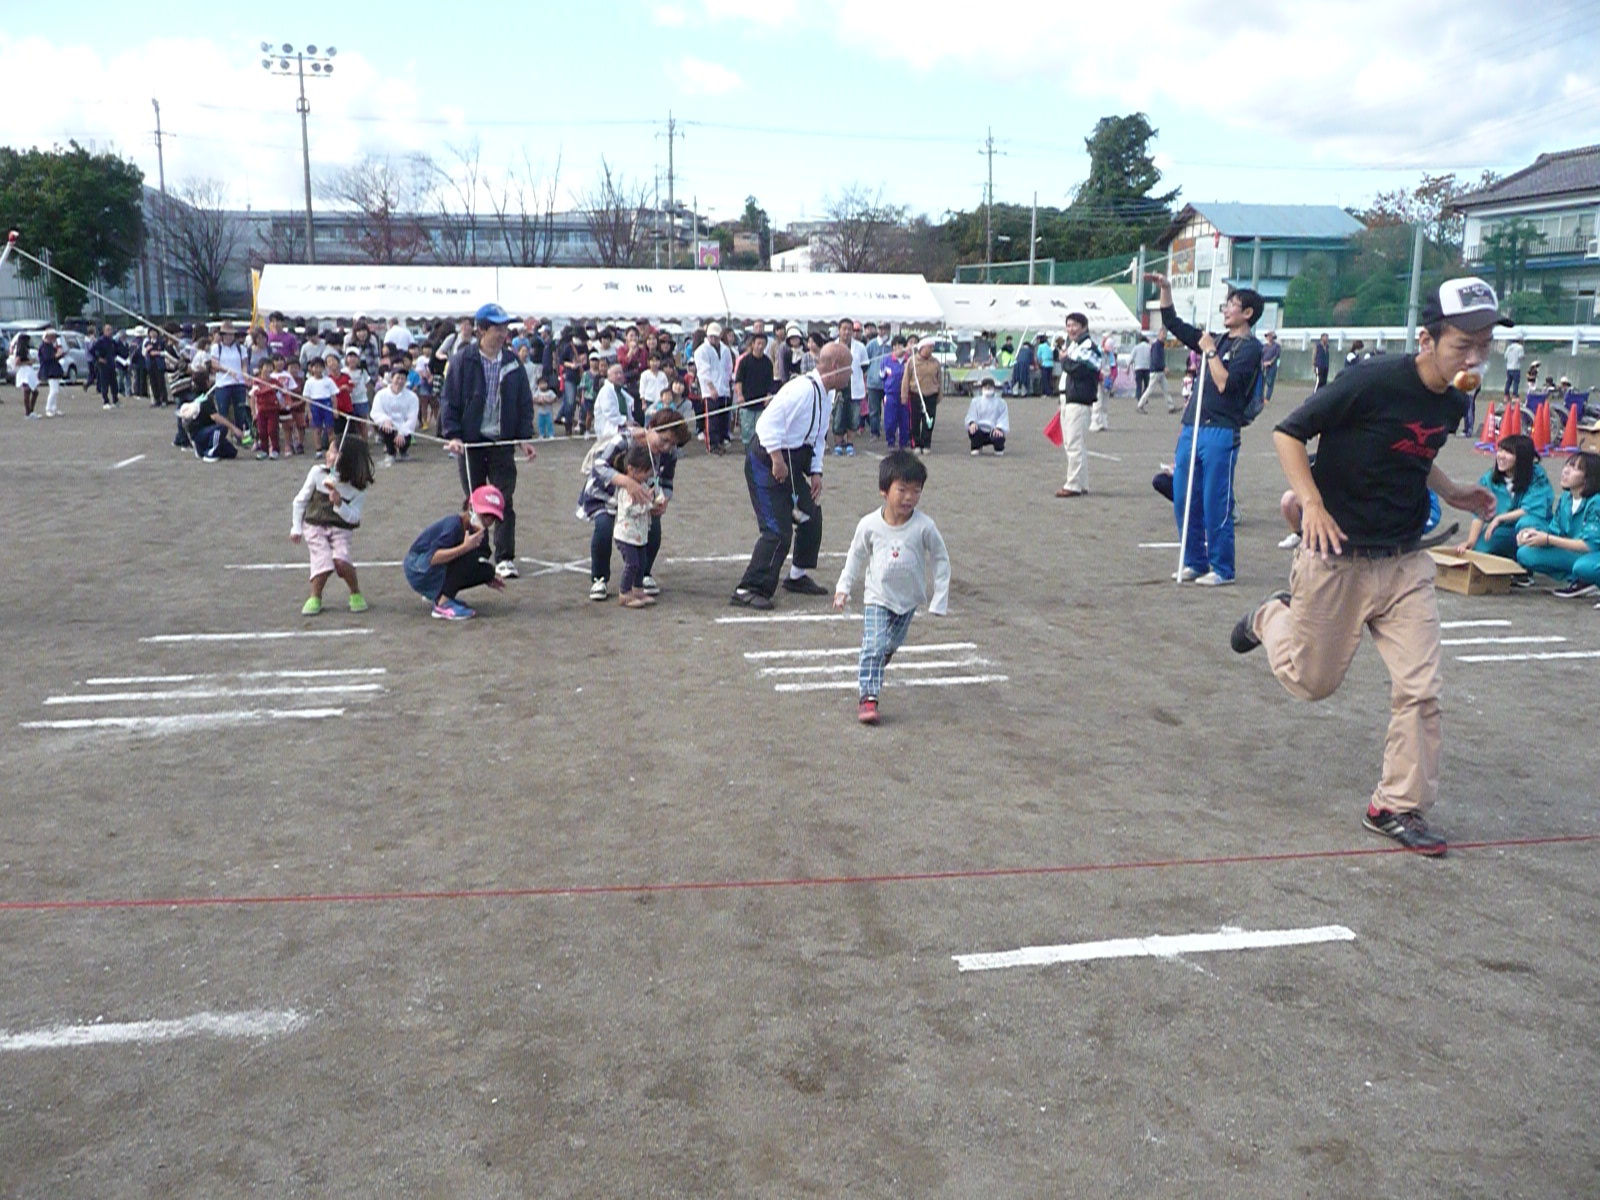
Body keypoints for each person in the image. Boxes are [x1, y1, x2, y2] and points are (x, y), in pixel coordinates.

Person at [1229, 275, 1508, 857]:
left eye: (1485, 345)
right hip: (1338, 557)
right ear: (1427, 340)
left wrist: (1453, 491)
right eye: (1463, 344)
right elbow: (1288, 433)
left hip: (1405, 560)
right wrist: (1311, 504)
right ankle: (1270, 617)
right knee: (1311, 682)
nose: (1475, 358)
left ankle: (1396, 806)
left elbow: (1414, 449)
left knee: (1421, 688)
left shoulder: (1455, 397)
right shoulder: (1372, 380)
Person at [1145, 273, 1265, 585]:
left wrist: (1210, 351)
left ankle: (1222, 568)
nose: (1226, 309)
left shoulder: (1250, 348)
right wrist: (1166, 289)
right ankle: (1194, 561)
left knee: (1215, 501)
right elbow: (1173, 323)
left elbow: (1226, 384)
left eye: (1232, 305)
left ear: (1247, 313)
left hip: (1221, 430)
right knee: (1185, 498)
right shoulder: (1217, 339)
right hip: (1192, 427)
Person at [832, 450, 950, 725]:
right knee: (874, 644)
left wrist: (939, 598)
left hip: (908, 601)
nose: (909, 497)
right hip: (877, 596)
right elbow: (855, 555)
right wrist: (843, 587)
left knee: (889, 645)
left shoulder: (924, 526)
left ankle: (875, 661)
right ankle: (868, 698)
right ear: (884, 491)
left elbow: (940, 559)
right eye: (902, 490)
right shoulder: (869, 525)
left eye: (916, 491)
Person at [731, 342, 852, 609]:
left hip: (793, 462)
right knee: (777, 530)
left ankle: (797, 576)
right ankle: (748, 589)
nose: (851, 374)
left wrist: (816, 471)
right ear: (835, 367)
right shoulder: (800, 390)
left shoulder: (827, 395)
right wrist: (776, 460)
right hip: (766, 460)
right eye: (849, 368)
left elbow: (818, 437)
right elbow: (766, 425)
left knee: (810, 515)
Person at [441, 302, 537, 580]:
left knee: (503, 498)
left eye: (505, 327)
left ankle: (505, 557)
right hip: (471, 442)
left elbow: (523, 402)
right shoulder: (462, 360)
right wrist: (453, 434)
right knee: (474, 499)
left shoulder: (512, 362)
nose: (503, 333)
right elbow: (449, 400)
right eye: (497, 328)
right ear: (481, 330)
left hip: (501, 441)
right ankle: (478, 551)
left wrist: (523, 438)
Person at [580, 408, 690, 601]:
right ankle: (599, 578)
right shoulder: (624, 440)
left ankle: (642, 576)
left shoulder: (669, 455)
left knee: (653, 529)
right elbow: (599, 466)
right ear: (651, 427)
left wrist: (664, 501)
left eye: (672, 444)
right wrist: (627, 482)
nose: (666, 447)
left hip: (640, 500)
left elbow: (666, 482)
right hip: (606, 495)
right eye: (664, 440)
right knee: (604, 527)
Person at [290, 437, 374, 615]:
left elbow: (354, 518)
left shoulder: (358, 487)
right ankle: (315, 596)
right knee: (323, 561)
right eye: (328, 450)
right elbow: (300, 501)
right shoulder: (317, 473)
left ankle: (355, 592)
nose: (328, 455)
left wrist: (339, 504)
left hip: (341, 528)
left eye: (333, 451)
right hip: (315, 525)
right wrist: (296, 527)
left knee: (341, 561)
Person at [404, 485, 509, 621]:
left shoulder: (473, 531)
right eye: (486, 515)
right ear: (471, 509)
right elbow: (433, 558)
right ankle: (443, 604)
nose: (488, 521)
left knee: (486, 570)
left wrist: (487, 576)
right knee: (469, 556)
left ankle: (442, 595)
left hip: (426, 568)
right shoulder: (454, 525)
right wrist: (465, 548)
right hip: (418, 568)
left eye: (493, 518)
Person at [1453, 434, 1553, 562]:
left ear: (1522, 457)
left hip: (1535, 526)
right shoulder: (1489, 479)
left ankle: (1527, 563)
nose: (1501, 456)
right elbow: (1480, 512)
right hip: (1505, 529)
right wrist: (1470, 542)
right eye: (1500, 450)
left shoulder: (1537, 476)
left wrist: (1499, 518)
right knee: (1481, 548)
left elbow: (1530, 509)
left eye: (1508, 452)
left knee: (1525, 524)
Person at [1514, 451, 1600, 597]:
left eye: (1575, 468)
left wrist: (1548, 539)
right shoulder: (1566, 498)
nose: (1566, 471)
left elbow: (1590, 545)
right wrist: (1532, 535)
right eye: (1567, 465)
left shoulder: (1596, 502)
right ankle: (1582, 581)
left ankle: (1588, 579)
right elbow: (1554, 530)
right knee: (1525, 553)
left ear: (1589, 477)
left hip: (1593, 554)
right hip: (1577, 553)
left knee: (1584, 566)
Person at [1054, 312, 1103, 498]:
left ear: (1084, 327)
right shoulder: (1074, 346)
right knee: (1072, 443)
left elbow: (1079, 369)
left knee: (1074, 443)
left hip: (1079, 399)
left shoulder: (1088, 346)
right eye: (1068, 325)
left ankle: (1073, 484)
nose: (1071, 329)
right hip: (1069, 398)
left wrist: (1065, 360)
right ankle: (1081, 483)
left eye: (1074, 325)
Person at [613, 444, 662, 609]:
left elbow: (646, 501)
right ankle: (624, 592)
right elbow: (630, 509)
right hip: (626, 535)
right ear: (631, 470)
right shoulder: (627, 489)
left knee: (642, 562)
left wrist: (653, 499)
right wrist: (648, 505)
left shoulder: (643, 485)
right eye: (644, 472)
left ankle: (638, 589)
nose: (646, 475)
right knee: (632, 563)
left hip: (639, 534)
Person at [694, 320, 735, 452]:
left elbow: (729, 367)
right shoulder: (701, 350)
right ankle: (712, 445)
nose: (713, 339)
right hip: (709, 390)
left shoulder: (725, 349)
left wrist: (727, 382)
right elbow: (703, 371)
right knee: (712, 419)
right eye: (711, 336)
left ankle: (722, 440)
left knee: (723, 417)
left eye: (716, 337)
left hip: (723, 388)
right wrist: (711, 388)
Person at [733, 330, 775, 448]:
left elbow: (770, 383)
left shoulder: (767, 363)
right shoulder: (745, 361)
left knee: (760, 431)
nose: (760, 346)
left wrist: (768, 396)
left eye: (763, 344)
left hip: (761, 404)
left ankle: (757, 452)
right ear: (753, 344)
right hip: (747, 403)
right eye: (758, 343)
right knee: (747, 432)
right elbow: (739, 380)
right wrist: (740, 395)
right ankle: (748, 451)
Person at [183, 386, 247, 461]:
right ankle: (210, 453)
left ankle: (203, 450)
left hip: (201, 434)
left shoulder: (191, 398)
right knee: (221, 428)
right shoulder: (205, 400)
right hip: (200, 434)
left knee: (232, 452)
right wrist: (234, 428)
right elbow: (215, 417)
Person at [372, 366, 420, 464]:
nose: (400, 381)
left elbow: (412, 418)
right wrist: (385, 419)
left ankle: (403, 451)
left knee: (404, 439)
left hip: (404, 426)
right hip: (388, 426)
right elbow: (375, 412)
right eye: (398, 378)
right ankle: (390, 453)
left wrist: (402, 432)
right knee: (386, 429)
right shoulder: (381, 395)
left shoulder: (412, 397)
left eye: (403, 379)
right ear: (392, 378)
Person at [903, 335, 942, 454]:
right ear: (922, 348)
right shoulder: (912, 361)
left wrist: (939, 394)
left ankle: (926, 443)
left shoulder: (935, 362)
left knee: (929, 421)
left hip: (931, 395)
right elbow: (906, 379)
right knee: (915, 420)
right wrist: (904, 395)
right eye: (929, 347)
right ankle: (915, 443)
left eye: (932, 347)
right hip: (916, 394)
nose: (931, 349)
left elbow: (939, 379)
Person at [880, 335, 911, 451]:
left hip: (905, 395)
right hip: (891, 394)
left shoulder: (909, 360)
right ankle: (891, 441)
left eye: (900, 345)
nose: (897, 348)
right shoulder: (886, 360)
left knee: (904, 420)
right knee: (890, 420)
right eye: (895, 346)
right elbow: (882, 377)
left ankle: (904, 442)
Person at [592, 362, 635, 442]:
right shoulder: (606, 391)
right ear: (609, 376)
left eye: (620, 373)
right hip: (610, 429)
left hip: (624, 428)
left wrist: (631, 422)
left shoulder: (622, 392)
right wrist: (625, 422)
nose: (619, 376)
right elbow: (610, 413)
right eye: (616, 373)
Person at [965, 378, 1009, 455]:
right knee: (973, 431)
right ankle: (976, 446)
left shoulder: (1001, 403)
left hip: (994, 430)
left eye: (990, 387)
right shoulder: (975, 401)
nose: (988, 389)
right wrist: (972, 423)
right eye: (985, 387)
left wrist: (999, 428)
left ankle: (998, 447)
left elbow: (1003, 418)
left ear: (994, 389)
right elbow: (971, 415)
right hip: (979, 430)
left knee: (999, 446)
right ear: (982, 388)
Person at [249, 361, 283, 460]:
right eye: (266, 367)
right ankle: (264, 451)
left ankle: (275, 450)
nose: (268, 369)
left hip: (273, 410)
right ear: (261, 369)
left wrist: (282, 401)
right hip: (261, 411)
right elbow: (255, 394)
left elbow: (282, 392)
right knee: (262, 431)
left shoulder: (275, 381)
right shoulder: (257, 381)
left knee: (272, 430)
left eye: (270, 367)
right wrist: (253, 412)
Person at [865, 323, 889, 439]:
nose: (882, 331)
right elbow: (865, 361)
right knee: (874, 410)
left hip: (889, 384)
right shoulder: (871, 345)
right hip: (873, 383)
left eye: (885, 328)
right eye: (880, 328)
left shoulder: (891, 345)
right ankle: (874, 432)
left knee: (889, 409)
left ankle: (890, 432)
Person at [1137, 334, 1172, 414]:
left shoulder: (1160, 346)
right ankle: (1140, 405)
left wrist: (1163, 367)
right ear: (1160, 335)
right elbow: (1156, 359)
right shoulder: (1157, 346)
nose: (1164, 338)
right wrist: (1163, 367)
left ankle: (1171, 406)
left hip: (1160, 371)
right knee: (1149, 390)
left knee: (1166, 389)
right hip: (1156, 371)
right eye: (1163, 336)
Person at [90, 322, 121, 409]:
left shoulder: (112, 341)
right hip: (103, 366)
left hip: (112, 364)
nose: (110, 331)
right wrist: (99, 358)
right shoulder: (100, 341)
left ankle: (115, 400)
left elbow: (117, 351)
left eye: (110, 330)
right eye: (108, 330)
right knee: (104, 384)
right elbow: (92, 351)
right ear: (104, 331)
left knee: (114, 383)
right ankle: (106, 401)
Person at [9, 333, 39, 419]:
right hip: (24, 372)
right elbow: (17, 362)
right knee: (28, 391)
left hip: (28, 371)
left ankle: (30, 411)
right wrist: (29, 362)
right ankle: (28, 412)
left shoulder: (25, 350)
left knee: (34, 391)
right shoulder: (20, 351)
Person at [37, 332, 64, 418]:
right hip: (48, 371)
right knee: (53, 390)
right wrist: (57, 354)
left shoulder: (51, 346)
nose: (54, 339)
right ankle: (48, 408)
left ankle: (53, 408)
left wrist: (60, 354)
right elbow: (47, 358)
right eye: (53, 337)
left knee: (56, 390)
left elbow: (55, 357)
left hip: (54, 370)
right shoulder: (43, 347)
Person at [532, 373, 559, 439]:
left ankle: (551, 434)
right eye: (541, 384)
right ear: (538, 385)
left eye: (544, 383)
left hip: (548, 412)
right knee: (541, 424)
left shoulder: (550, 392)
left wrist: (548, 400)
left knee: (549, 423)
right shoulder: (537, 392)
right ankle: (542, 434)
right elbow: (534, 399)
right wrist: (539, 401)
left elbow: (555, 399)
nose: (543, 385)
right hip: (540, 412)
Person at [1130, 334, 1152, 408]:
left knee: (1139, 384)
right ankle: (1144, 398)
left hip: (1138, 368)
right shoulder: (1149, 347)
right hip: (1147, 368)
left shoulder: (1136, 347)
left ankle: (1139, 397)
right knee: (1146, 385)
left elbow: (1131, 357)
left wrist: (1128, 366)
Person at [1260, 330, 1281, 402]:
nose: (1268, 337)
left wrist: (1270, 362)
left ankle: (1267, 398)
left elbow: (1277, 356)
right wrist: (1263, 363)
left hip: (1272, 367)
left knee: (1270, 382)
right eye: (1267, 336)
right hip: (1263, 366)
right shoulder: (1264, 346)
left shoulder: (1277, 346)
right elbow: (1261, 355)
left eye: (1270, 336)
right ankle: (1260, 397)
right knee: (1262, 382)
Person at [1503, 335, 1525, 400]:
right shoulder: (1520, 347)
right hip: (1516, 367)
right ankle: (1514, 395)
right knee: (1516, 382)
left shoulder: (1509, 347)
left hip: (1509, 367)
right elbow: (1521, 357)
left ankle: (1506, 395)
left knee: (1508, 381)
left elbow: (1505, 356)